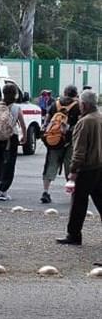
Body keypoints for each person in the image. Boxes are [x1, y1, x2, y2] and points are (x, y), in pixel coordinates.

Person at [55, 89, 102, 245]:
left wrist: (73, 171)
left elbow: (79, 150)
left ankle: (74, 235)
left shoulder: (85, 122)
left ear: (84, 104)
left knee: (78, 204)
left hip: (87, 168)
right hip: (99, 167)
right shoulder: (99, 118)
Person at [40, 85, 80, 204]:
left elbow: (47, 121)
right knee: (71, 167)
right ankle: (74, 193)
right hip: (69, 140)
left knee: (50, 165)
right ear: (75, 94)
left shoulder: (55, 104)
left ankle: (45, 192)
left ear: (64, 92)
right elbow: (79, 125)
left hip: (54, 140)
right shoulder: (78, 106)